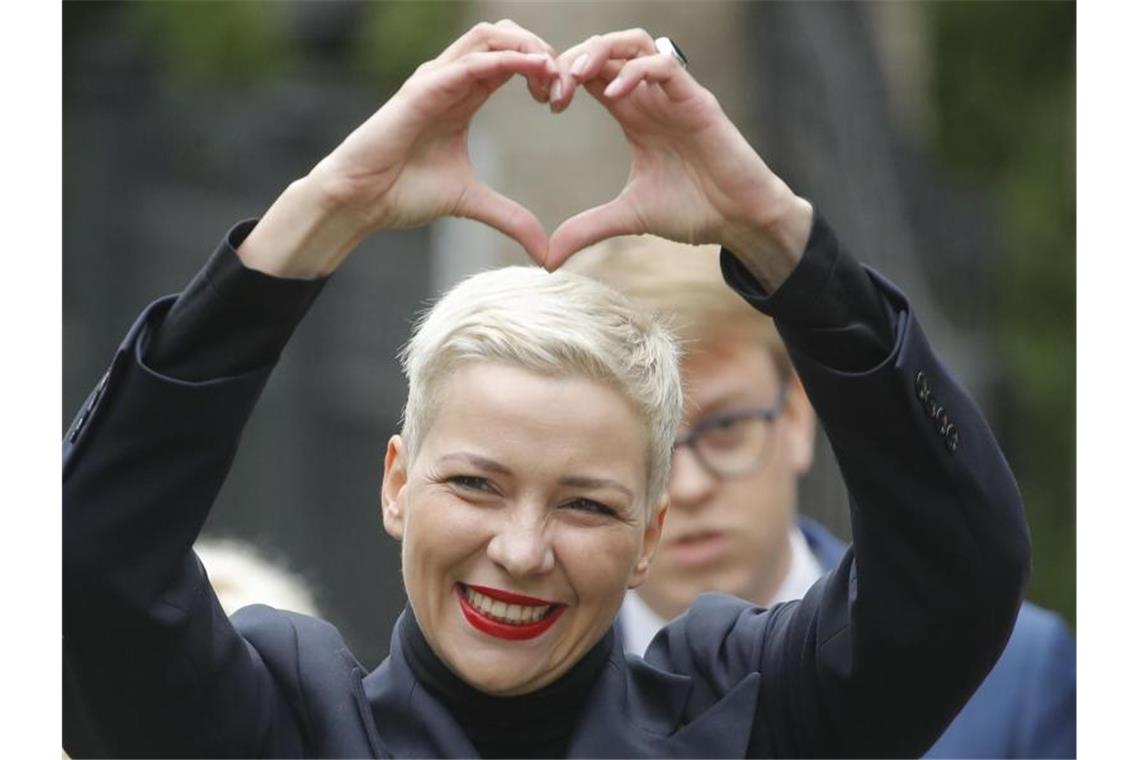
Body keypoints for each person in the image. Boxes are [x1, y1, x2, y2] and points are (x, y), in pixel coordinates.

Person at [62, 21, 1030, 758]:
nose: (522, 550)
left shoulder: (742, 718)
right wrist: (322, 214)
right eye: (476, 483)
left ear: (651, 531)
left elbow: (957, 574)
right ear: (397, 482)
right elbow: (88, 562)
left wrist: (778, 237)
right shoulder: (289, 725)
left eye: (586, 503)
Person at [571, 238, 1077, 758]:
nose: (691, 486)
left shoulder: (1019, 676)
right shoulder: (539, 691)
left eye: (726, 427)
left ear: (795, 418)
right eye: (654, 450)